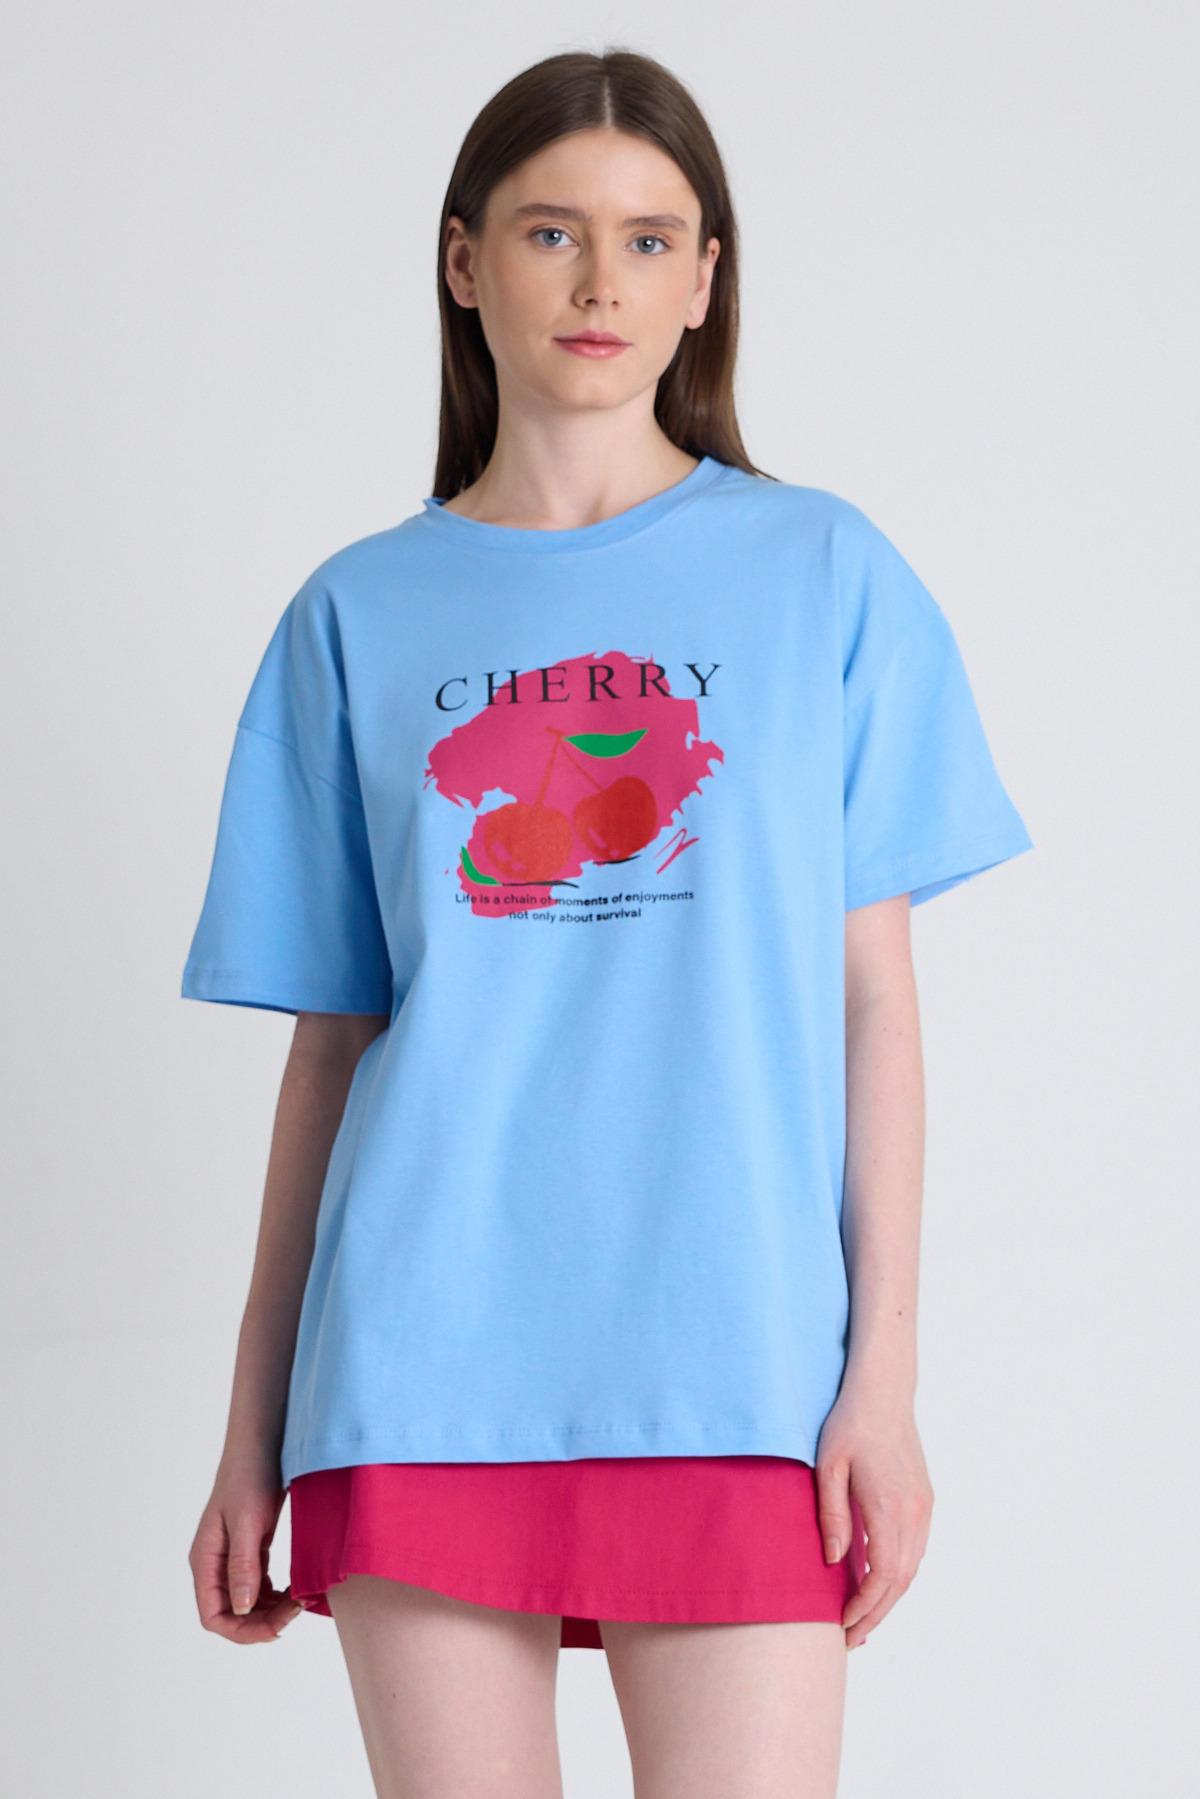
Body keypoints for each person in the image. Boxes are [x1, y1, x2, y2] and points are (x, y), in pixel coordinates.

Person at [183, 47, 1031, 1799]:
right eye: (551, 230)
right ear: (462, 259)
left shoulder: (825, 575)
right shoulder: (355, 614)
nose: (599, 282)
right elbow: (332, 1053)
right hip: (419, 1371)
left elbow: (874, 1005)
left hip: (742, 1376)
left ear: (707, 279)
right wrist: (252, 1431)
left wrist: (882, 1379)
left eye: (651, 240)